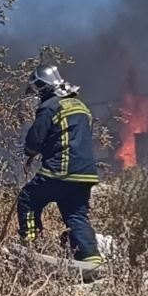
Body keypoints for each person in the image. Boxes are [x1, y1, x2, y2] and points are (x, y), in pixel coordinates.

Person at [17, 64, 102, 269]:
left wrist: (30, 153)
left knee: (28, 199)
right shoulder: (81, 106)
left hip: (61, 170)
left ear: (42, 86)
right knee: (75, 214)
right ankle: (91, 260)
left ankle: (30, 247)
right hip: (85, 174)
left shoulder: (50, 107)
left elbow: (34, 141)